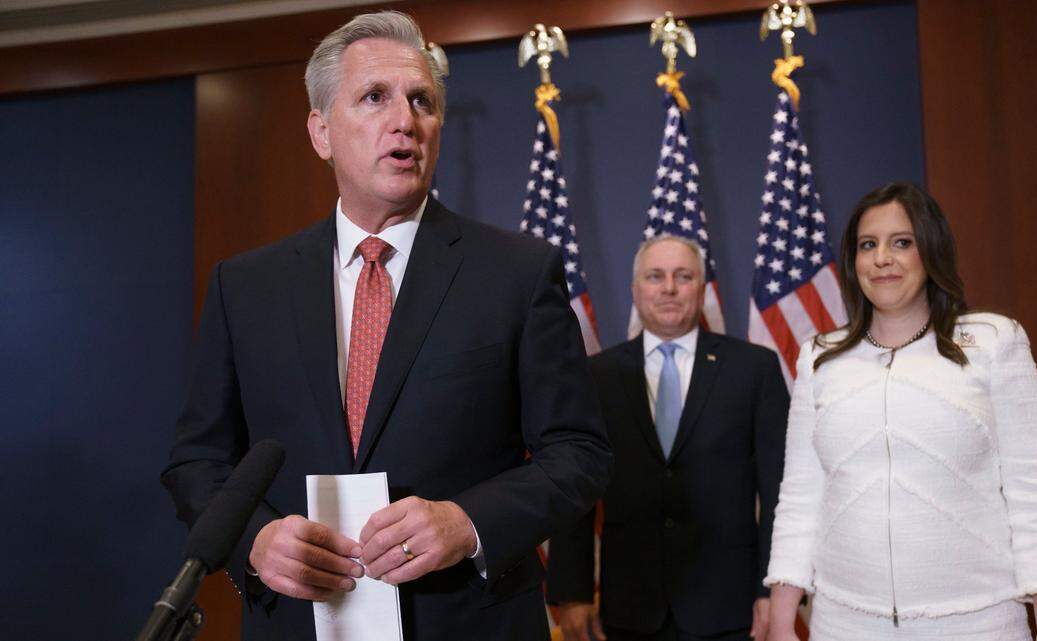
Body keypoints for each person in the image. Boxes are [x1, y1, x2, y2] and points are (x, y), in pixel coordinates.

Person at [161, 11, 611, 641]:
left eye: (421, 100)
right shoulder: (245, 286)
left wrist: (467, 522)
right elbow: (198, 462)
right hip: (301, 623)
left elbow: (580, 454)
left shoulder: (519, 272)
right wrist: (257, 539)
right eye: (375, 97)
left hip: (469, 622)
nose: (405, 120)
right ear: (321, 132)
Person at [763, 183, 1037, 641]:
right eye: (868, 245)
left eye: (902, 243)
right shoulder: (820, 358)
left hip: (977, 623)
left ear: (930, 251)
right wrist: (781, 617)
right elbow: (800, 496)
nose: (882, 258)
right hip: (844, 624)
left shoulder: (995, 341)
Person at [546, 235, 790, 641]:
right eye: (655, 276)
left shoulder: (755, 369)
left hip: (730, 608)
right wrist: (572, 594)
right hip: (628, 608)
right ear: (635, 289)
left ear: (702, 287)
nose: (669, 288)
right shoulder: (596, 376)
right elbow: (577, 487)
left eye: (683, 276)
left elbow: (780, 489)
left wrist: (773, 589)